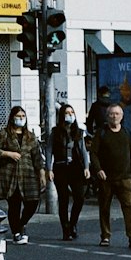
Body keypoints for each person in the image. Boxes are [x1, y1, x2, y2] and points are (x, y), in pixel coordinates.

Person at [89, 103, 131, 249]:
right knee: (104, 208)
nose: (114, 117)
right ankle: (105, 236)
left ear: (122, 116)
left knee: (129, 207)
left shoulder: (126, 132)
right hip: (106, 178)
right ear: (107, 116)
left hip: (125, 177)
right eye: (111, 114)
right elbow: (93, 153)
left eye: (117, 114)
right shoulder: (101, 133)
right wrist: (98, 169)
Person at [0, 105, 45, 244]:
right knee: (14, 204)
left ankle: (22, 224)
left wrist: (41, 172)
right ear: (12, 118)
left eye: (23, 116)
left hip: (28, 174)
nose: (21, 119)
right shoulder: (4, 134)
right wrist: (8, 153)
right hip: (10, 174)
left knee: (33, 202)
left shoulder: (30, 136)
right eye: (18, 116)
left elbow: (37, 156)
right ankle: (16, 232)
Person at [49, 102, 89, 241]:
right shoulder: (55, 132)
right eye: (67, 113)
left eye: (72, 113)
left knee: (79, 197)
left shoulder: (78, 132)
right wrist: (49, 168)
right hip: (60, 167)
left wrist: (86, 167)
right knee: (63, 199)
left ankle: (73, 223)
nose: (70, 116)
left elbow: (83, 150)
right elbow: (49, 151)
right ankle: (65, 229)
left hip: (75, 167)